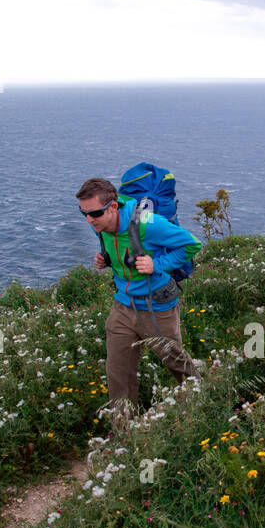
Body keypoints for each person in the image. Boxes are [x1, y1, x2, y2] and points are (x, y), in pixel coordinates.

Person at [77, 177, 202, 434]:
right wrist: (105, 260)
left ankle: (205, 403)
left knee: (174, 361)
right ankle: (124, 434)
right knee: (117, 372)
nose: (89, 220)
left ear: (112, 207)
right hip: (122, 306)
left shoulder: (148, 224)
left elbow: (191, 244)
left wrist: (158, 265)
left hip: (156, 307)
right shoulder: (99, 225)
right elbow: (120, 253)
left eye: (95, 213)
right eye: (84, 213)